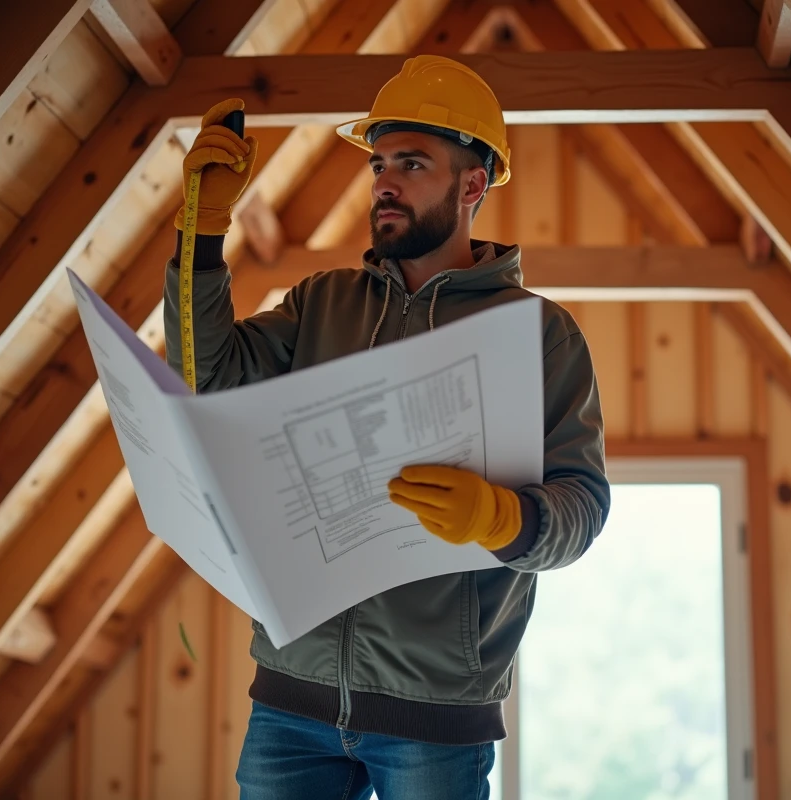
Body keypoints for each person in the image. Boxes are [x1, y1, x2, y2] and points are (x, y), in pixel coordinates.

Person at [162, 55, 610, 799]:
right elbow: (204, 382)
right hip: (289, 700)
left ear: (473, 185)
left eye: (412, 162)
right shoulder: (321, 305)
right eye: (378, 163)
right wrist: (201, 235)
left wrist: (502, 516)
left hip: (434, 720)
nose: (384, 183)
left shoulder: (541, 336)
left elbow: (582, 508)